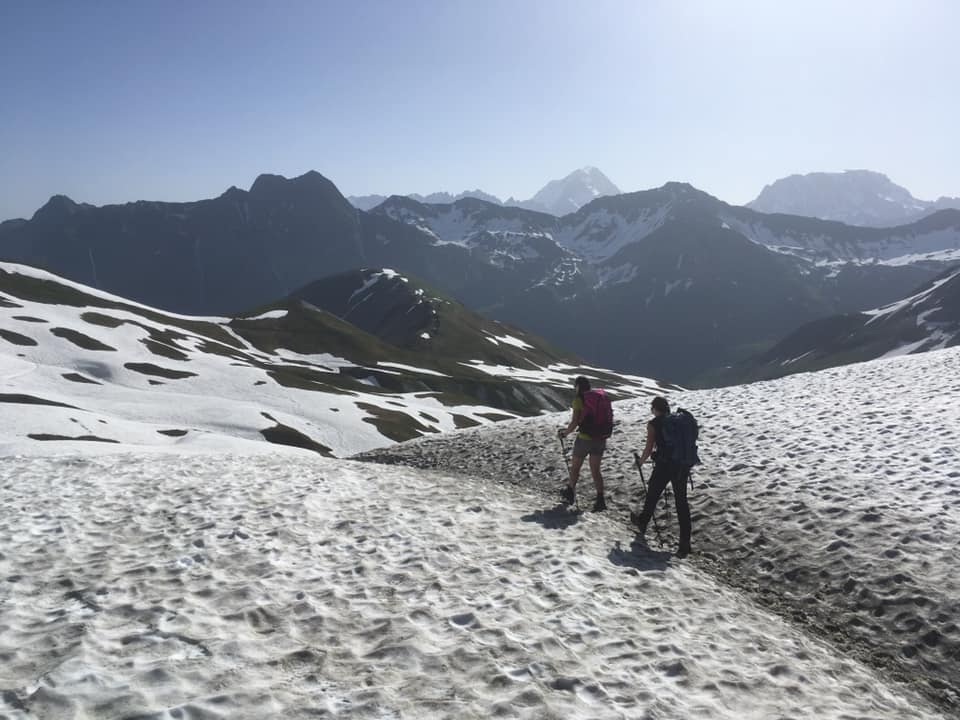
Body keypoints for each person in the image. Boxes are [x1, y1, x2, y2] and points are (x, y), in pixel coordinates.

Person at [631, 396, 692, 558]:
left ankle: (643, 522)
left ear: (655, 409)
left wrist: (641, 462)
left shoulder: (654, 424)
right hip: (682, 465)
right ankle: (685, 543)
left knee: (652, 494)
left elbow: (649, 447)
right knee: (681, 502)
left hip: (664, 465)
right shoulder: (679, 422)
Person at [558, 376, 607, 511]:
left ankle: (570, 493)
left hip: (584, 439)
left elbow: (575, 422)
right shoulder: (598, 398)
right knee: (596, 470)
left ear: (578, 386)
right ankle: (600, 500)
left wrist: (564, 433)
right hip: (600, 438)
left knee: (575, 468)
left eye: (576, 386)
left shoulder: (579, 400)